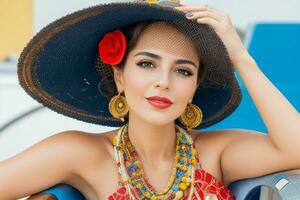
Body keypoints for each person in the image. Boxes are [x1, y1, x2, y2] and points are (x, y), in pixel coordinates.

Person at [1, 0, 300, 199]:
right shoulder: (81, 152)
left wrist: (241, 58)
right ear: (120, 76)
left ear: (194, 86)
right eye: (147, 64)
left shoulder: (215, 152)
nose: (163, 81)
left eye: (182, 70)